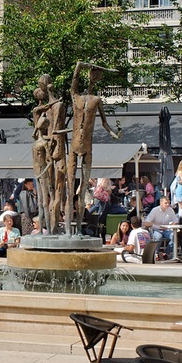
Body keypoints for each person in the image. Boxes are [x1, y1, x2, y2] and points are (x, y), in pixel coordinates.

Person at [65, 62, 121, 235]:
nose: (94, 78)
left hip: (87, 146)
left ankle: (79, 228)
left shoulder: (96, 100)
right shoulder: (76, 97)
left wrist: (113, 133)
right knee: (70, 189)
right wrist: (78, 67)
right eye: (94, 75)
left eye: (97, 76)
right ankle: (68, 230)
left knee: (82, 190)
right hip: (75, 144)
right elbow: (73, 83)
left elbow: (104, 121)